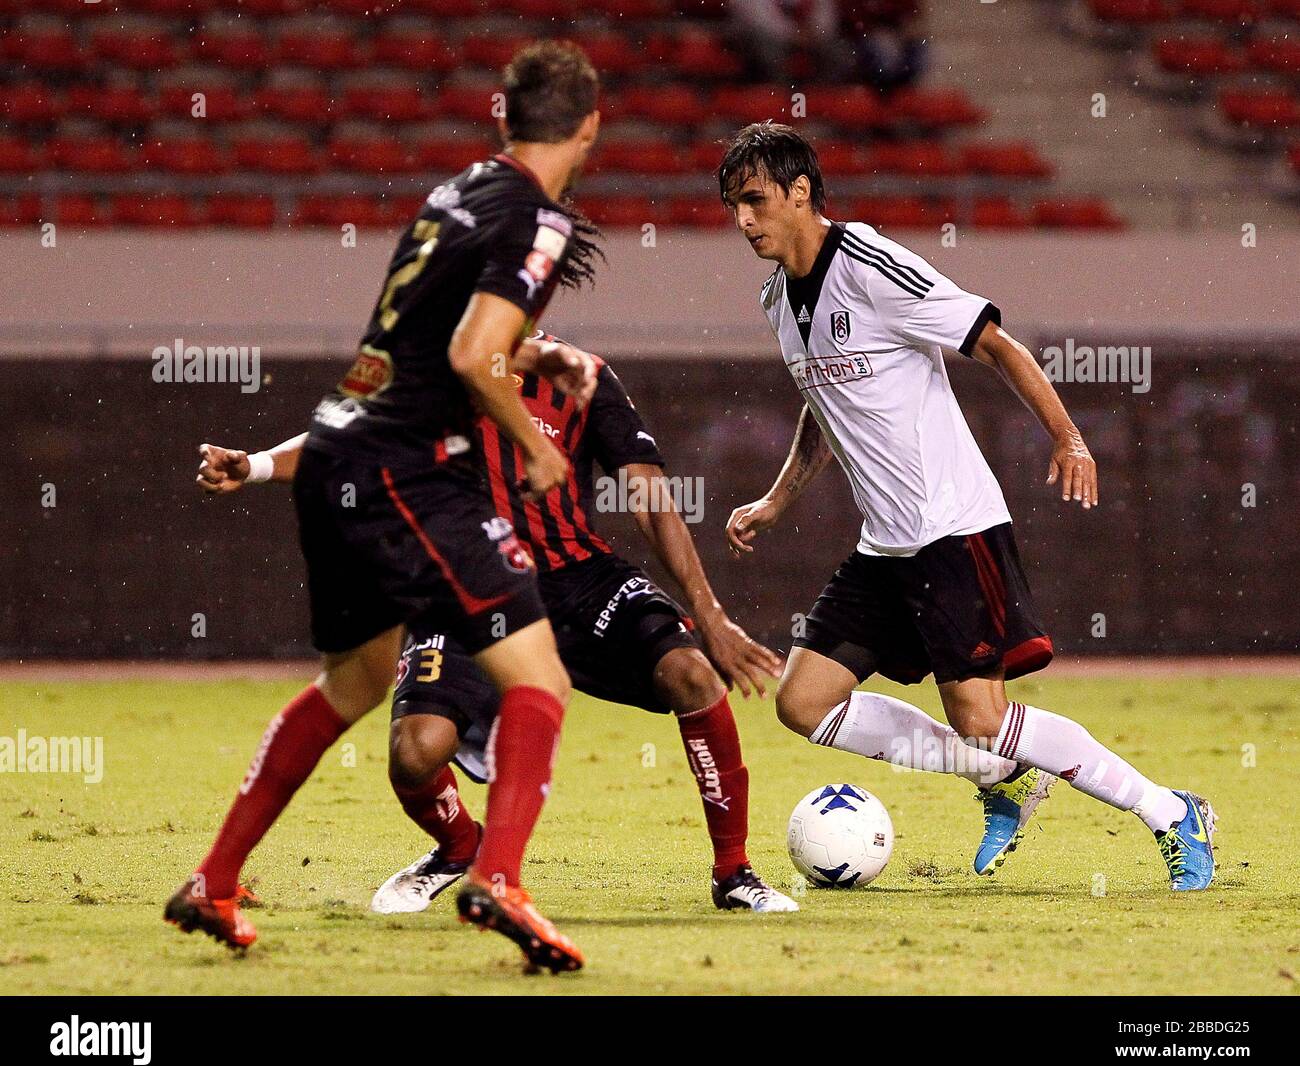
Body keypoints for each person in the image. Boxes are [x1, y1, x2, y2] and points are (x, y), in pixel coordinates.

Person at [166, 41, 606, 973]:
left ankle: (215, 878)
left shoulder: (456, 192)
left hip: (335, 452)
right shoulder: (542, 217)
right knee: (540, 677)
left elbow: (435, 335)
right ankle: (502, 878)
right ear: (592, 127)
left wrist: (535, 356)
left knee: (354, 686)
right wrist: (535, 443)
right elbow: (467, 356)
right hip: (410, 468)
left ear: (500, 118)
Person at [718, 122, 1216, 890]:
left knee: (981, 716)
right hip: (886, 544)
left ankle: (1171, 811)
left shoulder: (873, 266)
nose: (743, 221)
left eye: (754, 201)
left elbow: (995, 342)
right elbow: (823, 403)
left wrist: (1068, 436)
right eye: (733, 207)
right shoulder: (777, 299)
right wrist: (778, 498)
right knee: (806, 701)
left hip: (953, 527)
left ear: (800, 193)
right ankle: (1002, 780)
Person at [194, 330, 798, 918]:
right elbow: (342, 440)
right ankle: (460, 849)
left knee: (690, 673)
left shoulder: (582, 374)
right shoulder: (434, 367)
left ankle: (734, 872)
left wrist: (711, 615)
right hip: (469, 583)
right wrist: (257, 465)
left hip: (577, 580)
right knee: (415, 751)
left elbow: (650, 497)